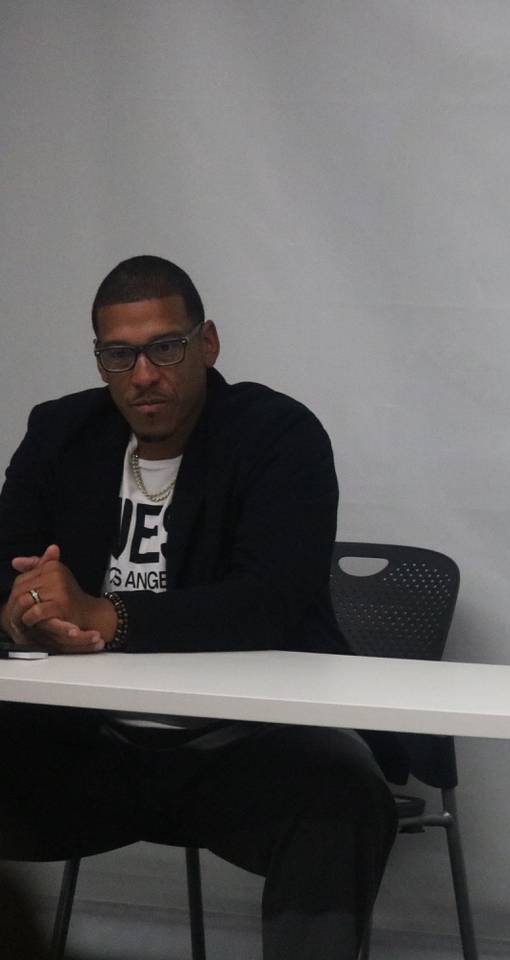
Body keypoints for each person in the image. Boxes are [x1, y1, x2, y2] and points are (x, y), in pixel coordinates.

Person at [0, 255, 397, 960]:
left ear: (207, 344)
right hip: (84, 748)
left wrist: (106, 616)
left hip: (241, 746)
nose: (144, 375)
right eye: (120, 355)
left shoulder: (278, 437)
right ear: (100, 361)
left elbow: (272, 600)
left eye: (166, 347)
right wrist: (22, 609)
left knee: (344, 797)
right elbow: (8, 566)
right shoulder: (61, 433)